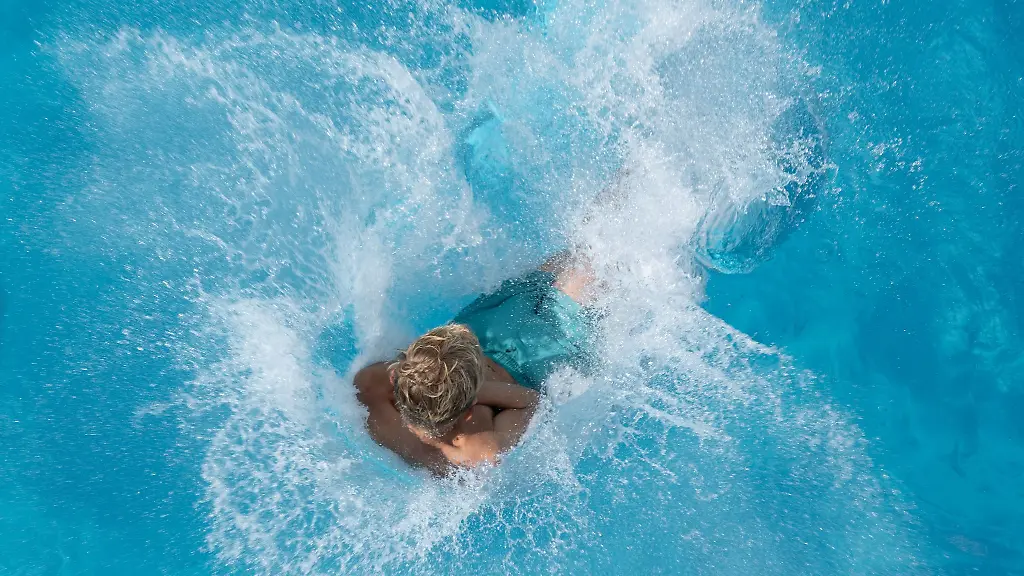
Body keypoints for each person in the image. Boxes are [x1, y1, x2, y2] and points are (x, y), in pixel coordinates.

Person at [353, 251, 597, 475]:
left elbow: (371, 380)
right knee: (582, 263)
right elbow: (532, 402)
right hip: (527, 355)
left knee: (578, 263)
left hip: (503, 335)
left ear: (396, 377)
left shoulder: (377, 401)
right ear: (470, 409)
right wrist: (471, 390)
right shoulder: (482, 445)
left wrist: (457, 387)